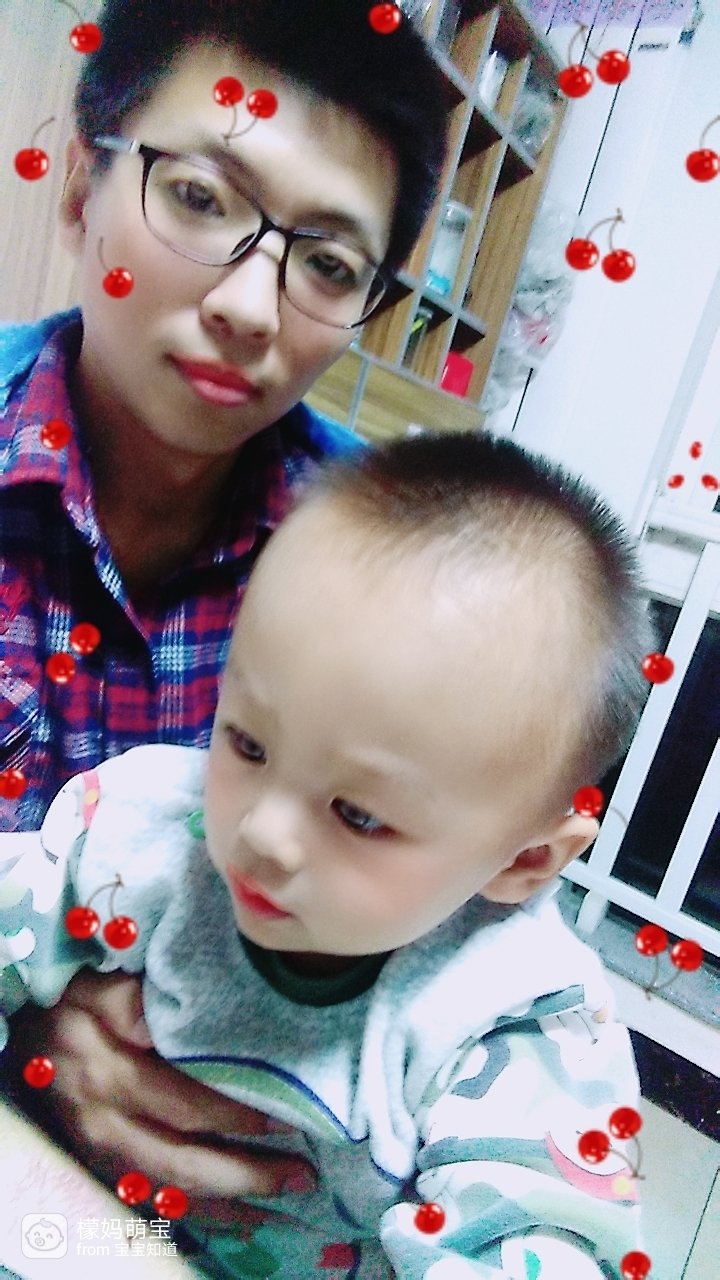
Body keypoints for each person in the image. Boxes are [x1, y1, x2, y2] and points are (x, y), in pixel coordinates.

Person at [1, 432, 653, 1278]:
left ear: (522, 862)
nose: (262, 834)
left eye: (358, 814)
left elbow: (547, 1242)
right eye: (248, 741)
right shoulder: (146, 830)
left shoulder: (515, 1012)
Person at [0, 0, 448, 1208]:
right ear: (81, 185)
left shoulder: (398, 576)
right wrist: (29, 1037)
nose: (252, 307)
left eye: (328, 264)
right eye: (199, 198)